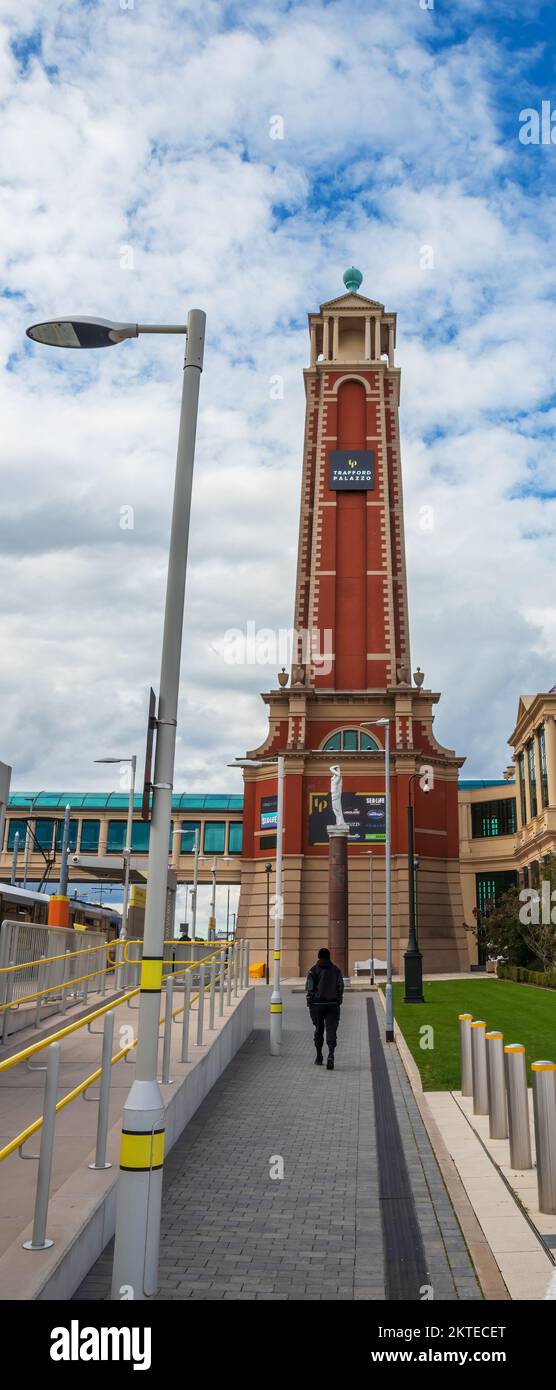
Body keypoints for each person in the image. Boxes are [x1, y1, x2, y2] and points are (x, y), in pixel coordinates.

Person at [305, 947, 344, 1070]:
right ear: (329, 956)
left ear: (318, 956)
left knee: (318, 1029)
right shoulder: (336, 970)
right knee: (331, 1030)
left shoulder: (312, 971)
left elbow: (309, 988)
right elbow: (340, 986)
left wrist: (310, 1002)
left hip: (317, 1005)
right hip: (332, 1004)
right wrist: (338, 1000)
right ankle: (331, 1055)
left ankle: (319, 1056)